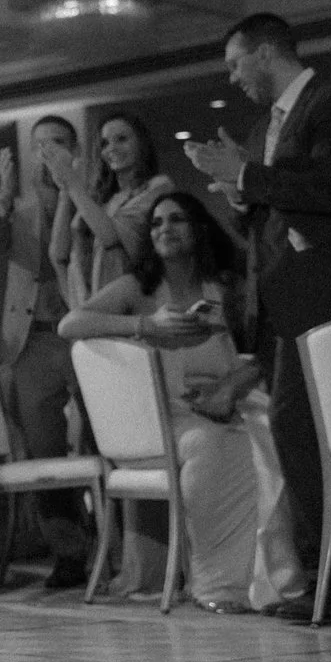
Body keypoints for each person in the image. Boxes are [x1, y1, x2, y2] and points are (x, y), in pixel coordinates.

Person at [185, 12, 331, 623]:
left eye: (236, 62)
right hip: (288, 298)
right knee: (298, 438)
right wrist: (242, 194)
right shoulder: (264, 125)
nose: (233, 76)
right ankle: (321, 580)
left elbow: (330, 188)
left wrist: (244, 174)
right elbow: (281, 211)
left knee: (312, 437)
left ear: (267, 53)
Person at [59, 191, 297, 613]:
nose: (165, 229)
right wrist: (145, 324)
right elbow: (70, 323)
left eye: (176, 220)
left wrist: (231, 383)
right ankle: (219, 585)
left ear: (199, 228)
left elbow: (267, 345)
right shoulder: (140, 288)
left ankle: (274, 578)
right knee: (218, 447)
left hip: (231, 400)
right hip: (164, 416)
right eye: (156, 223)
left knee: (275, 440)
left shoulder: (227, 284)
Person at [0, 116, 90, 585]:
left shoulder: (88, 196)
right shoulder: (17, 208)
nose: (47, 153)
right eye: (38, 146)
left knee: (109, 436)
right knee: (44, 448)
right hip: (33, 338)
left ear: (74, 149)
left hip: (86, 333)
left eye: (56, 143)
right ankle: (70, 552)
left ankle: (128, 549)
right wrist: (1, 193)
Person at [45, 110, 174, 301]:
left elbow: (111, 236)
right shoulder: (101, 199)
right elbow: (58, 254)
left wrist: (72, 182)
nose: (112, 148)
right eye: (105, 143)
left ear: (142, 144)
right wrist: (65, 190)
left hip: (132, 305)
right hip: (87, 305)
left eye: (121, 139)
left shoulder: (158, 187)